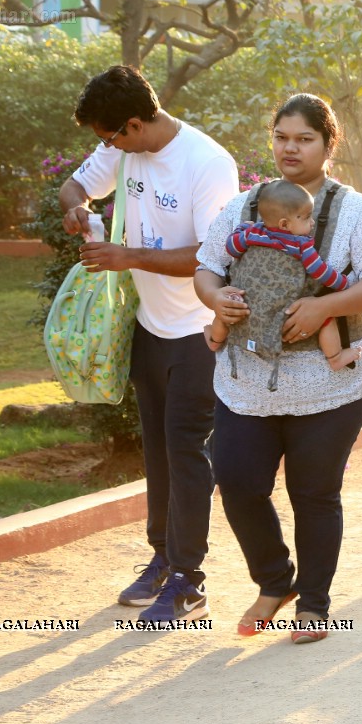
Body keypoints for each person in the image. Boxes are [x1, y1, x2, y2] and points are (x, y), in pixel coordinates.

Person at [195, 94, 362, 643]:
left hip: (332, 381)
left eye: (305, 138)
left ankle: (313, 602)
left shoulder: (355, 211)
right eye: (282, 136)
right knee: (237, 481)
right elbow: (206, 269)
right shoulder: (244, 207)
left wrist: (325, 307)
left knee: (313, 492)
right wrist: (217, 300)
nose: (291, 148)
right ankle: (274, 579)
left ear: (329, 145)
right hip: (246, 381)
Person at [59, 66, 238, 622]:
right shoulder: (125, 150)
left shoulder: (207, 163)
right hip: (149, 327)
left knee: (187, 451)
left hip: (196, 333)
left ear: (134, 124)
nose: (104, 148)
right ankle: (162, 558)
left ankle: (189, 579)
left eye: (108, 137)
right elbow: (74, 185)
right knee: (158, 450)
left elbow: (212, 257)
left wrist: (128, 257)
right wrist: (76, 208)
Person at [204, 179, 361, 377]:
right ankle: (336, 358)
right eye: (305, 218)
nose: (312, 223)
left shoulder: (253, 232)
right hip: (283, 311)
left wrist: (240, 229)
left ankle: (215, 340)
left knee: (227, 310)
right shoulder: (301, 245)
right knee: (326, 321)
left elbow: (231, 247)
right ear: (285, 224)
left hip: (249, 305)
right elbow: (320, 272)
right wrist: (344, 283)